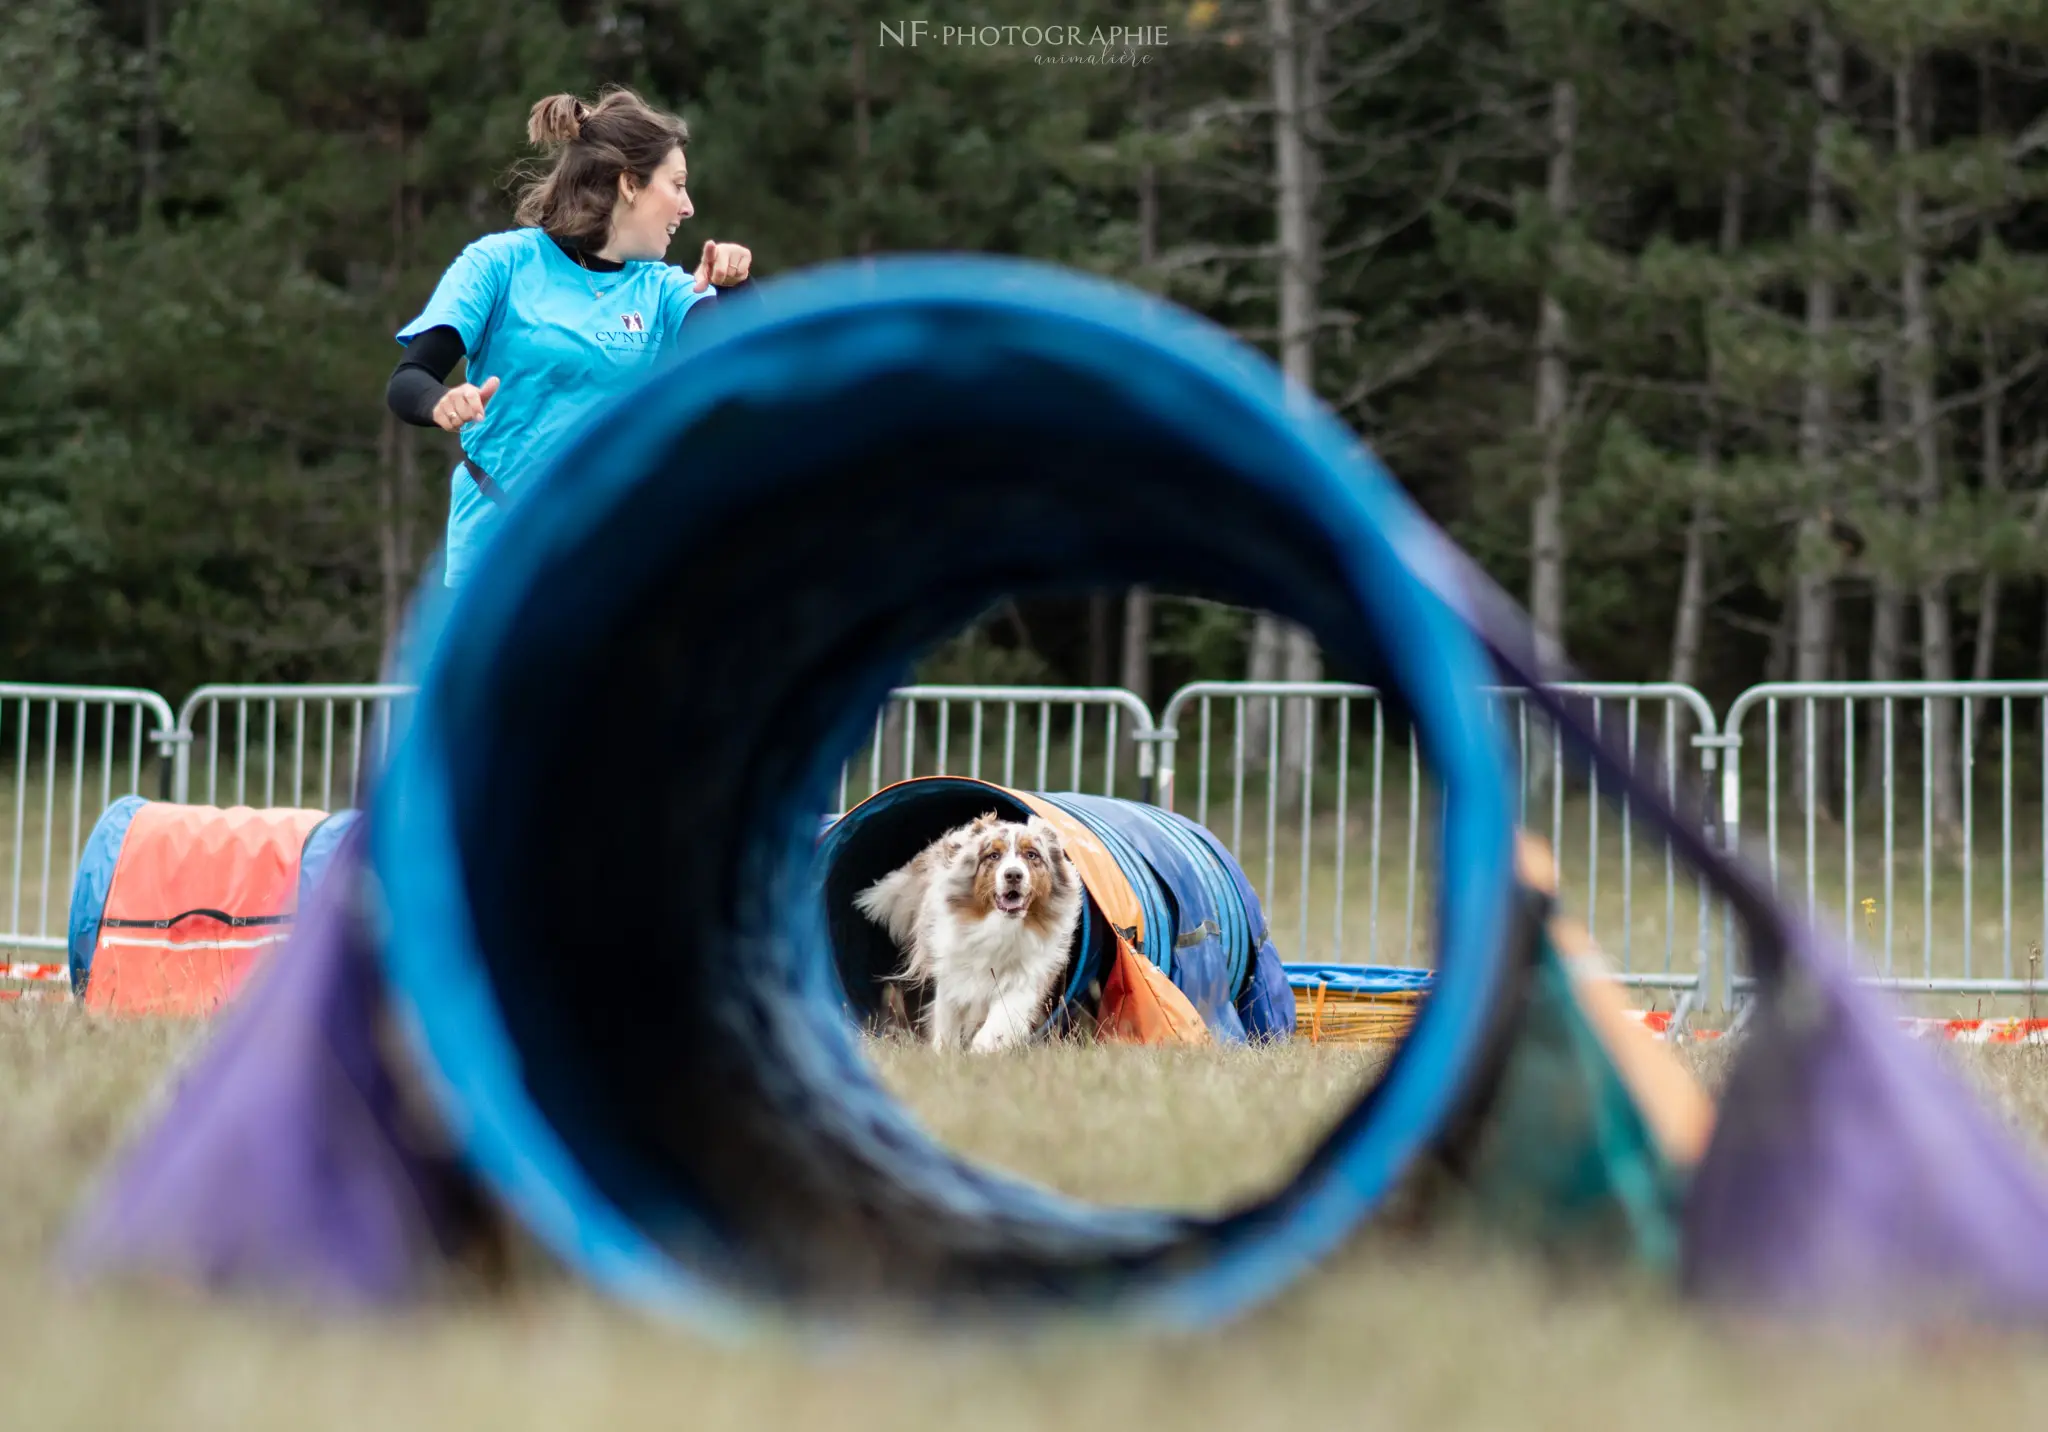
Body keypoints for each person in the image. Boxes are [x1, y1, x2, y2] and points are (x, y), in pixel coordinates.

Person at [387, 86, 756, 587]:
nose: (688, 207)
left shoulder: (668, 289)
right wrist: (442, 402)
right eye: (677, 184)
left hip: (614, 560)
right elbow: (410, 378)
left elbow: (746, 366)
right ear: (630, 184)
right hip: (496, 561)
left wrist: (736, 289)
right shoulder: (499, 263)